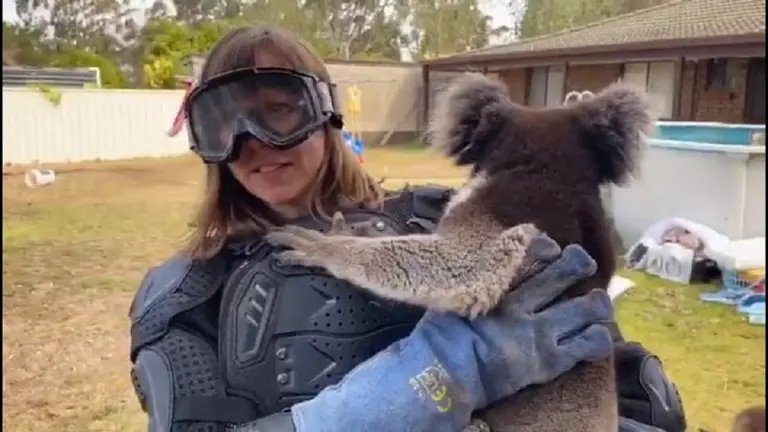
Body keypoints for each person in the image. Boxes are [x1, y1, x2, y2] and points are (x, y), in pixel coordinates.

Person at [128, 25, 686, 432]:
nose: (253, 142)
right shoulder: (185, 295)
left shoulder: (435, 220)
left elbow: (616, 372)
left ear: (326, 112)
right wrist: (443, 374)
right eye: (225, 122)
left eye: (280, 111)